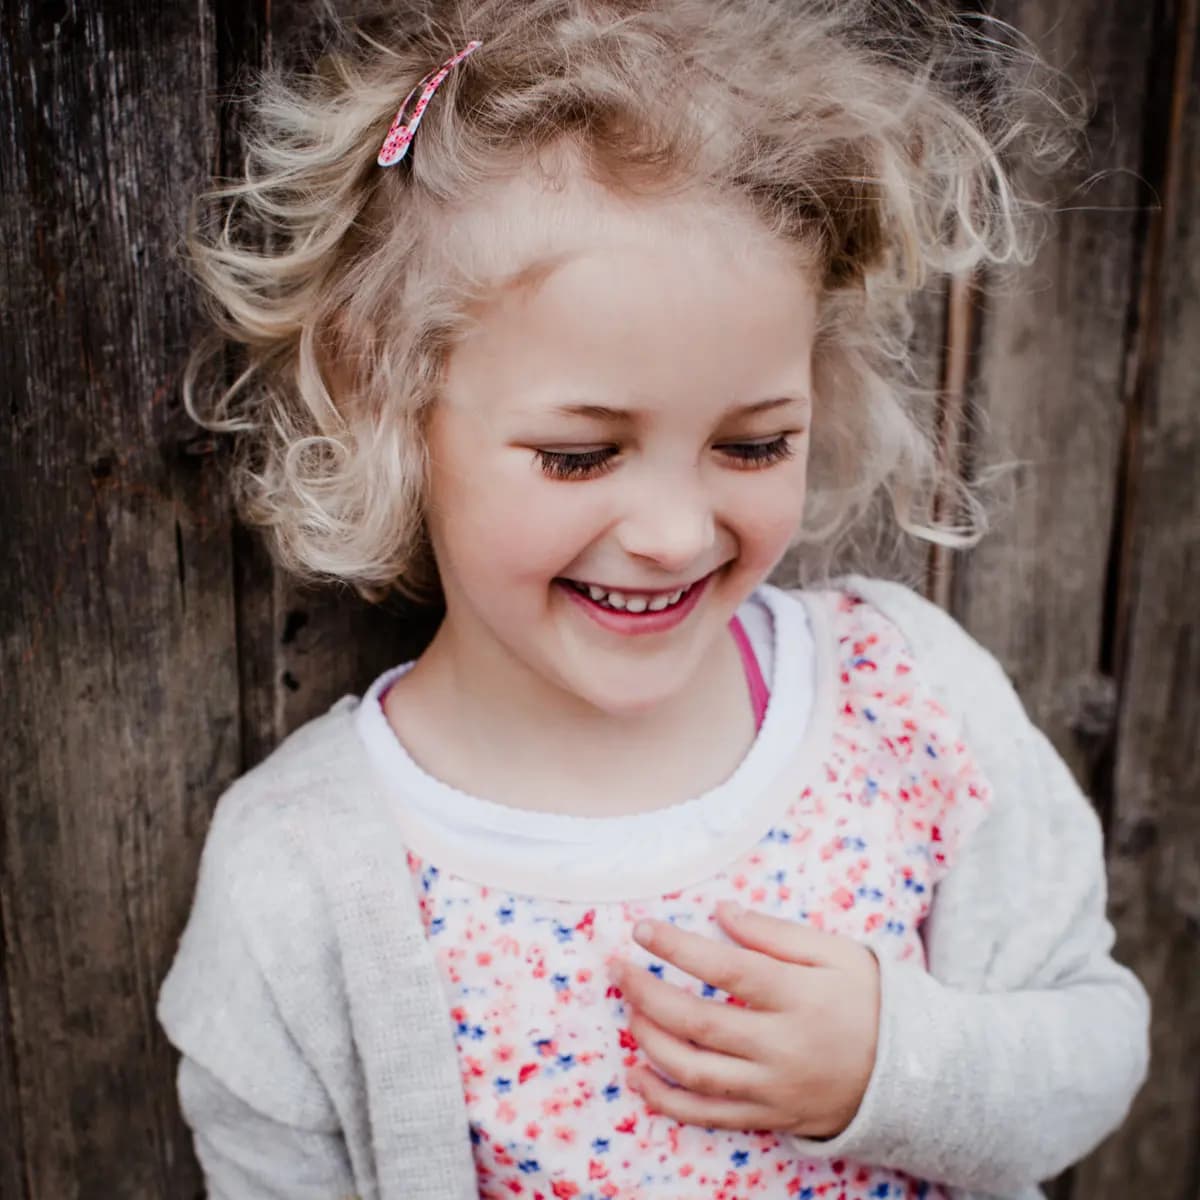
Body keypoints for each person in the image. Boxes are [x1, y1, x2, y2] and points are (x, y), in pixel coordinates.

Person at [157, 1, 1150, 1197]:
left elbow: (1097, 1045)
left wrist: (897, 1066)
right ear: (392, 397)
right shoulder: (304, 870)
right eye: (580, 456)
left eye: (752, 445)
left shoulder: (907, 702)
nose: (677, 533)